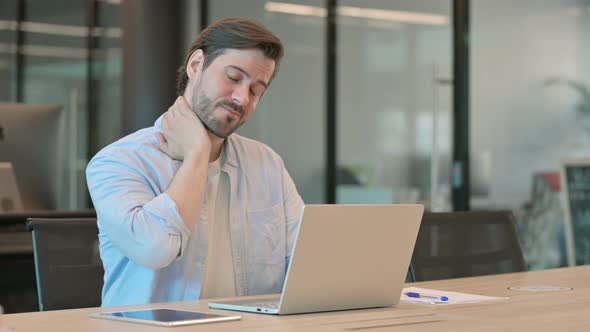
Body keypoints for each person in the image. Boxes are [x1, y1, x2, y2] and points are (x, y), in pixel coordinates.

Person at [86, 17, 304, 307]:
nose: (241, 98)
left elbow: (306, 263)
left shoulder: (267, 165)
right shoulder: (117, 162)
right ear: (196, 65)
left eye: (255, 90)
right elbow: (156, 249)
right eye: (234, 78)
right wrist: (198, 153)